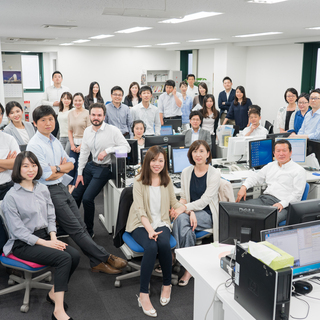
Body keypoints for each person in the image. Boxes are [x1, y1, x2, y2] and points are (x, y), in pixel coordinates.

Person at [27, 105, 127, 275]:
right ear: (35, 123)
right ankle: (105, 256)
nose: (48, 123)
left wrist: (57, 168)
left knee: (80, 224)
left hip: (61, 186)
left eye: (51, 119)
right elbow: (44, 175)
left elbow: (70, 162)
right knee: (75, 229)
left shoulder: (54, 140)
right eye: (43, 120)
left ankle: (96, 262)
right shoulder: (34, 145)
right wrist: (61, 168)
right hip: (48, 192)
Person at [2, 151, 80, 320]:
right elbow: (18, 231)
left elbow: (51, 215)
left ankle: (53, 293)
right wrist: (47, 244)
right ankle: (58, 311)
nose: (31, 169)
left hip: (45, 236)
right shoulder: (11, 196)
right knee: (63, 258)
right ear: (18, 169)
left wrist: (53, 237)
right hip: (23, 243)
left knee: (74, 255)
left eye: (34, 165)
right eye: (25, 166)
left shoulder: (43, 188)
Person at [125, 145, 184, 317]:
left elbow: (174, 202)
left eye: (160, 160)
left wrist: (188, 210)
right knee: (151, 246)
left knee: (164, 243)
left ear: (165, 162)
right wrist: (150, 230)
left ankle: (167, 285)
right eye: (153, 160)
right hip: (140, 223)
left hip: (161, 222)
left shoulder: (167, 181)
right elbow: (139, 210)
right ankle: (143, 295)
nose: (157, 164)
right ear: (147, 161)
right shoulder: (138, 181)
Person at [72, 103, 131, 238]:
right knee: (75, 196)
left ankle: (89, 231)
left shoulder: (113, 130)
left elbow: (126, 147)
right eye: (93, 115)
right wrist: (79, 173)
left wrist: (107, 151)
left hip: (104, 168)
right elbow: (84, 153)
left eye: (99, 115)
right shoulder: (87, 131)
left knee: (87, 198)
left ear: (104, 116)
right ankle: (72, 226)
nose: (96, 118)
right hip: (90, 166)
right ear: (90, 116)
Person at [171, 140, 220, 286]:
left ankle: (176, 259)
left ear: (208, 154)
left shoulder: (214, 173)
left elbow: (205, 201)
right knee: (183, 223)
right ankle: (188, 266)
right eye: (194, 151)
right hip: (190, 213)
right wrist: (189, 211)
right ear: (190, 154)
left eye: (201, 151)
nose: (198, 155)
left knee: (180, 218)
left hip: (208, 213)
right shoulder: (186, 172)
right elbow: (184, 197)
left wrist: (183, 209)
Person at [236, 139, 306, 224]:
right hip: (264, 200)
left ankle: (261, 237)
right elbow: (256, 178)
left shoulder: (298, 170)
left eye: (284, 151)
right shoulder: (270, 166)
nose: (281, 154)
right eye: (278, 151)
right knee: (238, 210)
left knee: (268, 220)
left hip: (284, 205)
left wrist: (282, 204)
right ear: (274, 153)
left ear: (290, 152)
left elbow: (297, 195)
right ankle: (243, 237)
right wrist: (244, 187)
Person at [68, 92, 91, 187]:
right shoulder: (70, 113)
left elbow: (89, 131)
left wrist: (81, 146)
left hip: (84, 143)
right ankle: (69, 190)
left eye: (80, 100)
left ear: (83, 101)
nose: (77, 102)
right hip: (73, 144)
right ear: (73, 102)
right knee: (71, 167)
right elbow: (70, 130)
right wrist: (72, 145)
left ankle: (75, 191)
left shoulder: (87, 113)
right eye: (75, 100)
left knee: (79, 168)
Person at [0, 103, 20, 200]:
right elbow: (11, 164)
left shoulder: (9, 139)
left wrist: (11, 163)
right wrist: (6, 163)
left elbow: (17, 163)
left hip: (8, 188)